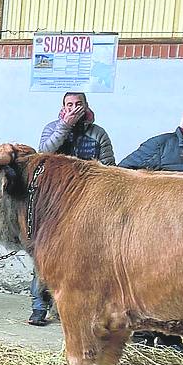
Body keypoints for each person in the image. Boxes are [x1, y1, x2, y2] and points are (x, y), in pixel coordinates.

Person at [119, 106, 183, 358]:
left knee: (179, 285)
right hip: (157, 228)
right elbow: (122, 172)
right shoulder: (161, 145)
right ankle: (143, 336)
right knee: (150, 282)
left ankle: (169, 338)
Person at [28, 92, 116, 326]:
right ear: (63, 107)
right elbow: (43, 152)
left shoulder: (98, 134)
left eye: (78, 104)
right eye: (69, 105)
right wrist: (64, 127)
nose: (74, 108)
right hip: (53, 203)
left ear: (86, 106)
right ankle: (39, 306)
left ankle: (76, 307)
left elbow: (109, 166)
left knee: (82, 257)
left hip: (86, 204)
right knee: (45, 254)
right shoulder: (52, 127)